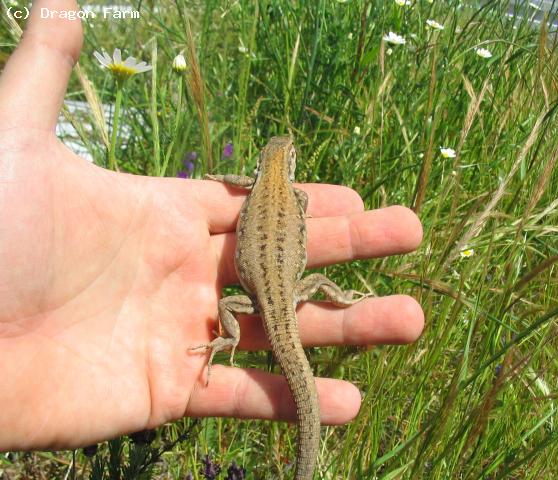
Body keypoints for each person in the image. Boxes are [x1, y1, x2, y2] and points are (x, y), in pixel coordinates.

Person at [0, 0, 424, 451]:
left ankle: (229, 341)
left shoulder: (252, 185)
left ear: (260, 167)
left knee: (259, 325)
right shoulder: (295, 195)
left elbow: (241, 183)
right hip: (285, 291)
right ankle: (341, 298)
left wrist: (224, 179)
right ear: (291, 164)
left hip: (260, 298)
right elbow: (298, 199)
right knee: (317, 286)